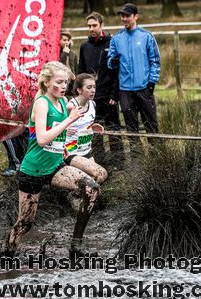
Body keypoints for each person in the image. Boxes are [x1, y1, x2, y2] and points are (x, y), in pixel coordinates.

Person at [8, 62, 100, 256]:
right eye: (59, 82)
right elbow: (41, 139)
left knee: (91, 188)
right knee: (25, 224)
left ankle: (76, 245)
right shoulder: (42, 103)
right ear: (47, 82)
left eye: (66, 82)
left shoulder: (62, 102)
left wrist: (84, 130)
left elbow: (65, 131)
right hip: (33, 171)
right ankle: (6, 254)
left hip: (56, 167)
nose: (64, 86)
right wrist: (69, 120)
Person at [108, 3, 160, 143]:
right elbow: (110, 61)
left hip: (144, 88)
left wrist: (151, 83)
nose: (124, 19)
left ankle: (158, 159)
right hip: (125, 91)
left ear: (136, 16)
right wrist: (112, 61)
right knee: (131, 130)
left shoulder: (147, 36)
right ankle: (137, 162)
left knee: (152, 126)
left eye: (127, 16)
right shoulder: (116, 38)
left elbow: (155, 61)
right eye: (122, 16)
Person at [77, 12, 123, 166]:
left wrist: (114, 94)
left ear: (102, 25)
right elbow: (80, 72)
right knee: (93, 129)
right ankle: (99, 159)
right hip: (91, 97)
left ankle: (118, 160)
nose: (91, 28)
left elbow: (117, 72)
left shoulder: (112, 43)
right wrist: (81, 95)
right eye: (89, 26)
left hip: (108, 94)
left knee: (113, 128)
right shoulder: (85, 46)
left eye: (94, 25)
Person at [65, 73, 108, 185]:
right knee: (98, 175)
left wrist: (92, 126)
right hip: (71, 152)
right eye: (89, 88)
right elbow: (56, 125)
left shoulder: (92, 104)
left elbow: (81, 124)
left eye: (94, 87)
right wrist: (64, 129)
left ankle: (77, 198)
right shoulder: (70, 106)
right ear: (79, 90)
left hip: (86, 151)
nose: (93, 90)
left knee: (98, 180)